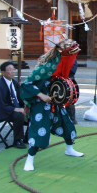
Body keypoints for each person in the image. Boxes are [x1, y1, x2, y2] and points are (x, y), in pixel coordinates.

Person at [21, 38, 83, 171]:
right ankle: (29, 159)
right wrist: (41, 95)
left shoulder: (63, 66)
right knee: (39, 130)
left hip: (55, 102)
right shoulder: (47, 65)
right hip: (40, 104)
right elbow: (26, 84)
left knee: (67, 125)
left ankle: (69, 149)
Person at [0, 62, 27, 149]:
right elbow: (0, 105)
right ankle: (17, 140)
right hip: (1, 110)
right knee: (19, 116)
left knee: (31, 111)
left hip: (14, 107)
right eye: (9, 70)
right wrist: (16, 109)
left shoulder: (14, 82)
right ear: (3, 72)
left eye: (13, 69)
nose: (13, 71)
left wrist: (26, 105)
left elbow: (20, 98)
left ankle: (27, 136)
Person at [65, 59, 78, 124]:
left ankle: (71, 118)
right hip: (58, 77)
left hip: (69, 78)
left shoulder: (72, 57)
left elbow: (73, 68)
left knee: (70, 98)